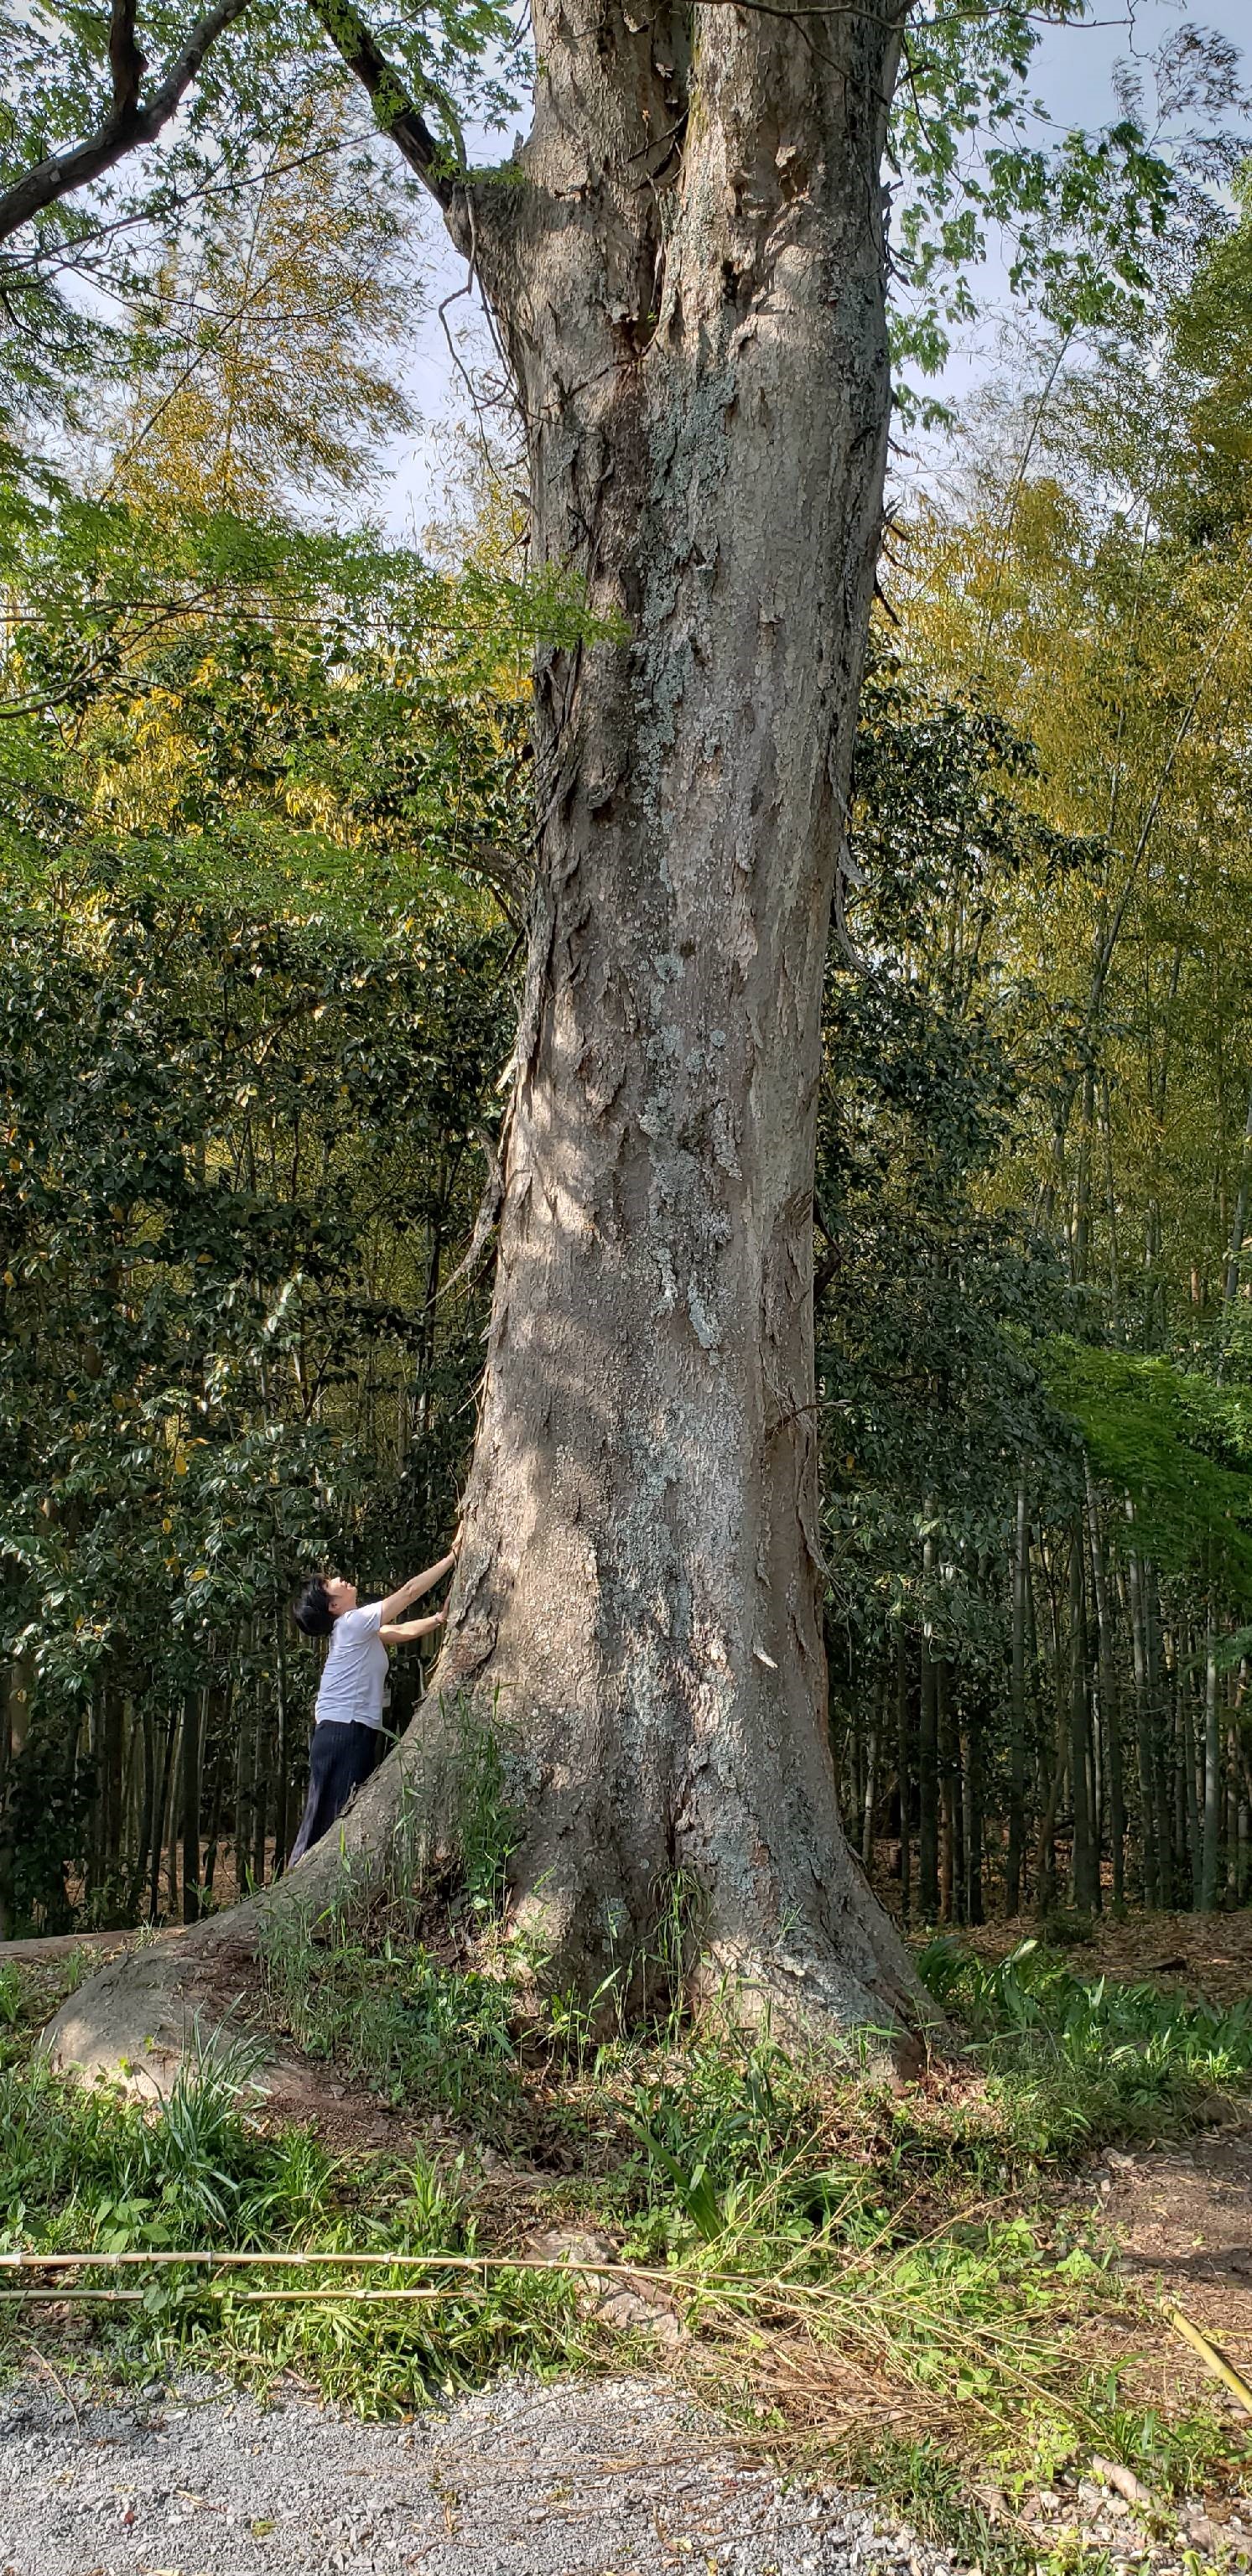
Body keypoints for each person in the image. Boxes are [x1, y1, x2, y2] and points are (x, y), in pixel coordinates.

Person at [287, 1540, 459, 1866]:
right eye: (329, 1585)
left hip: (349, 1730)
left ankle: (310, 1882)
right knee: (329, 1817)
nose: (337, 1579)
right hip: (343, 1730)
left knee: (335, 1812)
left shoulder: (355, 1629)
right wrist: (452, 1558)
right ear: (333, 1606)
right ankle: (294, 1886)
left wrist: (439, 1619)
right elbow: (408, 1593)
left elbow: (401, 1630)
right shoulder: (352, 1624)